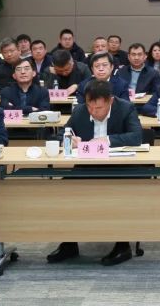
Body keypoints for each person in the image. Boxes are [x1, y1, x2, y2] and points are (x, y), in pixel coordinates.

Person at [48, 81, 145, 266]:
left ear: (110, 101)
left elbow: (136, 136)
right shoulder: (80, 111)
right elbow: (60, 134)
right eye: (90, 107)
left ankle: (122, 245)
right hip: (87, 168)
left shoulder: (125, 108)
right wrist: (68, 139)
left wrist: (106, 140)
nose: (93, 111)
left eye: (98, 108)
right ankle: (69, 243)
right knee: (63, 189)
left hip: (121, 169)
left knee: (120, 193)